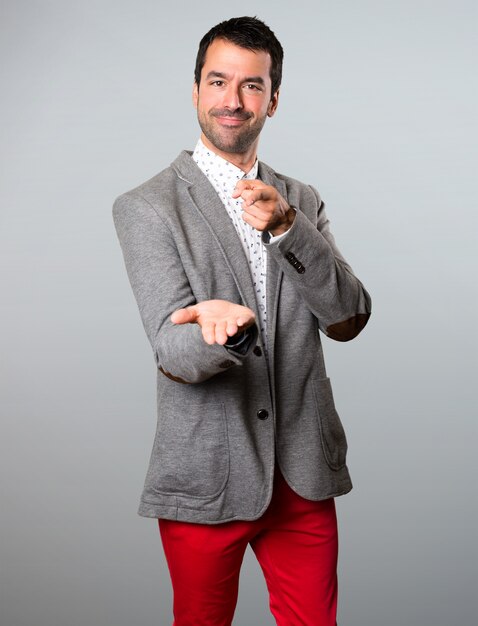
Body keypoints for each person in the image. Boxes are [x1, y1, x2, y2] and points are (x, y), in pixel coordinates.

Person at [113, 15, 371, 626]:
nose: (233, 100)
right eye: (218, 81)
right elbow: (170, 351)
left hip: (302, 473)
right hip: (206, 473)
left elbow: (348, 316)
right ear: (196, 90)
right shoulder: (146, 207)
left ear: (273, 100)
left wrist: (287, 228)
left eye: (252, 85)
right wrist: (225, 329)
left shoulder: (300, 200)